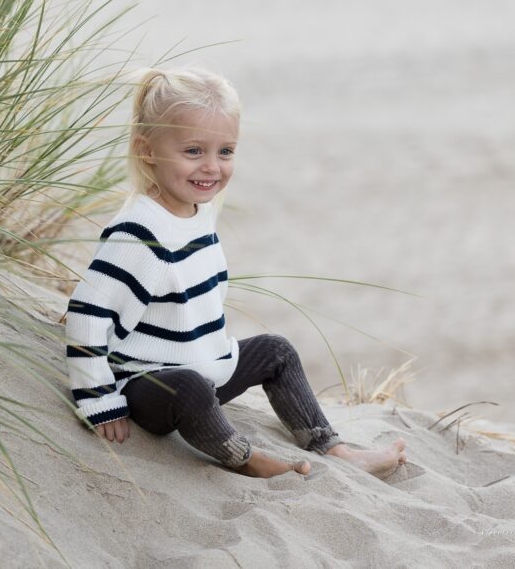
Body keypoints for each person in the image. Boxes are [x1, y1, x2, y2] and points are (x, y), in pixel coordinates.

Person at [63, 67, 407, 479]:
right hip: (147, 384)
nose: (212, 167)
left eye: (225, 152)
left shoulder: (197, 214)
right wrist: (100, 400)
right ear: (147, 150)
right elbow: (87, 314)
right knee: (189, 387)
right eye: (193, 151)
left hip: (206, 367)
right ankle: (245, 458)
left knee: (276, 350)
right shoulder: (138, 235)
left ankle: (331, 446)